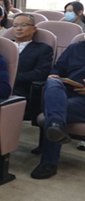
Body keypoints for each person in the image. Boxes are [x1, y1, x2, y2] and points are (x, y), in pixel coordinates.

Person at [33, 38, 85, 179]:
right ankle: (56, 125)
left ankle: (48, 163)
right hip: (66, 93)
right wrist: (54, 74)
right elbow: (58, 68)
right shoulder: (75, 48)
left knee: (56, 110)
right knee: (53, 83)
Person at [12, 13, 54, 100]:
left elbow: (40, 73)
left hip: (20, 89)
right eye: (15, 25)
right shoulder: (4, 45)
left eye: (24, 25)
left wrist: (11, 77)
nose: (19, 28)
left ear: (34, 29)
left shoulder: (43, 49)